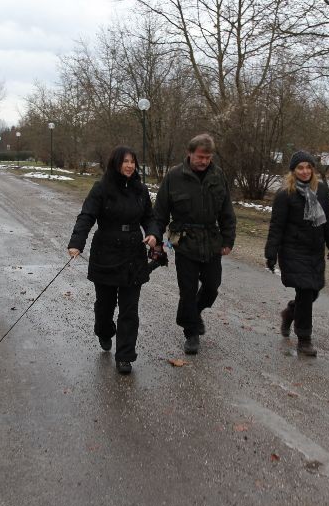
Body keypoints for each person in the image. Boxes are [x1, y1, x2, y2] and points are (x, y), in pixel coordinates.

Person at [67, 146, 159, 374]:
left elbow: (150, 217)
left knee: (130, 309)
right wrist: (77, 242)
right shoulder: (102, 188)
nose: (129, 165)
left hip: (133, 254)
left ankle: (125, 356)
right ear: (116, 163)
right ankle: (104, 331)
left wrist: (153, 233)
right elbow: (87, 215)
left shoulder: (140, 189)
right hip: (106, 252)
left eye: (132, 161)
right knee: (105, 305)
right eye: (125, 161)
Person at [154, 133, 236, 355]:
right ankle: (191, 333)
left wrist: (228, 239)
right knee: (187, 290)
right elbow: (160, 212)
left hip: (211, 240)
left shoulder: (218, 176)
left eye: (208, 157)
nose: (204, 161)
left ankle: (192, 313)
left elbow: (227, 211)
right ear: (189, 154)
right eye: (200, 156)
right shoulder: (174, 177)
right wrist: (156, 238)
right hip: (185, 241)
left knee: (212, 287)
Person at [264, 150, 329, 356]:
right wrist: (271, 253)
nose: (305, 171)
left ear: (313, 169)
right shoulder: (285, 195)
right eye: (300, 168)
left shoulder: (321, 190)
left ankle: (290, 313)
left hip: (315, 249)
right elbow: (276, 226)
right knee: (306, 292)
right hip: (292, 250)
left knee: (313, 291)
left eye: (308, 167)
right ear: (293, 171)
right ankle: (304, 339)